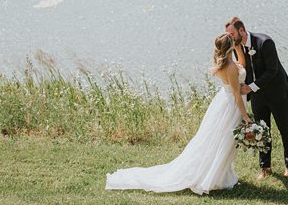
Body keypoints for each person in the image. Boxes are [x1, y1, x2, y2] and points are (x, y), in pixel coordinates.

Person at [105, 33, 251, 195]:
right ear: (230, 47)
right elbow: (237, 95)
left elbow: (241, 66)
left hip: (224, 101)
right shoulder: (230, 67)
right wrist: (245, 116)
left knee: (220, 140)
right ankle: (211, 176)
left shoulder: (227, 64)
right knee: (223, 141)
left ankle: (221, 174)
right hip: (231, 105)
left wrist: (239, 49)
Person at [225, 17, 288, 180]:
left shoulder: (265, 42)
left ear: (241, 31)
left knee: (285, 127)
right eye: (227, 34)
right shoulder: (236, 46)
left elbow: (272, 70)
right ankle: (265, 167)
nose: (229, 37)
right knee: (261, 129)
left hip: (277, 91)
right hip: (257, 95)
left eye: (232, 33)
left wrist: (250, 87)